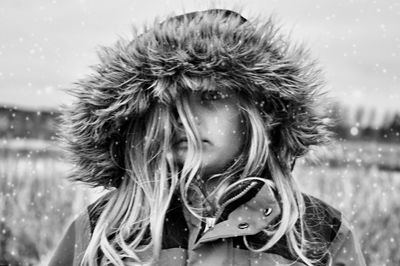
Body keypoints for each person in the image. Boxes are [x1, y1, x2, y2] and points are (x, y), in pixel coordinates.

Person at [49, 9, 366, 266]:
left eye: (210, 97)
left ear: (260, 113)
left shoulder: (319, 233)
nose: (183, 119)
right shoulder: (102, 228)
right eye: (167, 104)